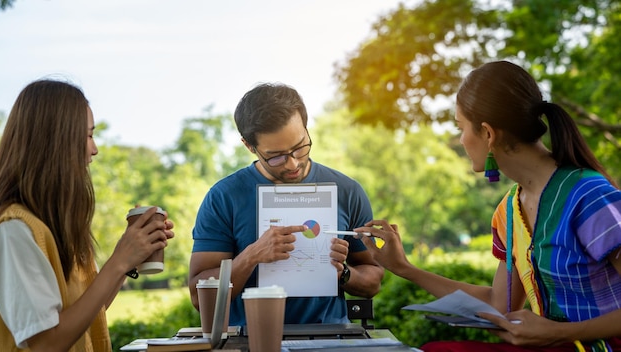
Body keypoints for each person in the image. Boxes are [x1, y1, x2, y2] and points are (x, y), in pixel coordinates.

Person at [355, 61, 621, 351]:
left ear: (487, 133)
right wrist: (405, 268)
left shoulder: (589, 195)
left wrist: (560, 333)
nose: (461, 139)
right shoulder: (509, 211)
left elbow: (552, 331)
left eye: (461, 127)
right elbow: (500, 304)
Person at [0, 79, 175, 351]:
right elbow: (46, 344)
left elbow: (88, 314)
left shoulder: (54, 225)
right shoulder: (14, 230)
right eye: (88, 135)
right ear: (56, 142)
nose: (95, 149)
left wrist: (129, 259)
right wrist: (117, 261)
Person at [188, 82, 383, 326]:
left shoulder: (346, 191)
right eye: (276, 156)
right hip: (250, 342)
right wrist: (250, 256)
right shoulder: (224, 197)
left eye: (300, 147)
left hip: (329, 339)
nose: (292, 164)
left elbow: (373, 281)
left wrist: (343, 273)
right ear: (249, 146)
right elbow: (198, 296)